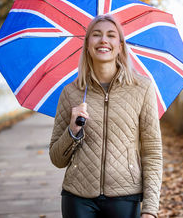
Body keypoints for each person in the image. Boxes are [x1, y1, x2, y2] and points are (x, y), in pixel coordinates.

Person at [49, 15, 163, 218]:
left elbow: (152, 152)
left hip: (125, 196)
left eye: (111, 35)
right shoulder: (71, 92)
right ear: (87, 45)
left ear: (120, 46)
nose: (103, 40)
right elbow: (57, 159)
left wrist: (150, 210)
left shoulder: (142, 88)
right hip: (77, 197)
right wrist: (72, 131)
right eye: (96, 35)